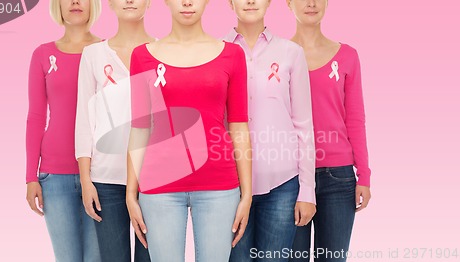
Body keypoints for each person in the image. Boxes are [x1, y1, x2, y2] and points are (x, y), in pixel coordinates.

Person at [126, 0, 253, 261]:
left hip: (219, 186)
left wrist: (247, 193)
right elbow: (139, 128)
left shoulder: (233, 54)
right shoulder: (141, 56)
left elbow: (239, 126)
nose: (187, 2)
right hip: (159, 187)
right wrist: (130, 192)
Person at [224, 0, 316, 261]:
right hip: (231, 185)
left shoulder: (291, 52)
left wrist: (307, 190)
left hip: (282, 186)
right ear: (230, 3)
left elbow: (304, 125)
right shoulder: (217, 51)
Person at [288, 0, 372, 261]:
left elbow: (355, 119)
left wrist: (364, 175)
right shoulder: (279, 55)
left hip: (339, 178)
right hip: (291, 177)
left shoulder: (347, 56)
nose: (310, 3)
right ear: (288, 3)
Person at [75, 0, 155, 261]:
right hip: (106, 181)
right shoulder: (93, 55)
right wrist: (86, 180)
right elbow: (84, 121)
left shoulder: (163, 52)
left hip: (153, 179)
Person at [25, 0, 102, 261]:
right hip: (54, 177)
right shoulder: (43, 54)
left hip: (100, 174)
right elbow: (36, 117)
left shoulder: (107, 52)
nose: (75, 2)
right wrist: (30, 177)